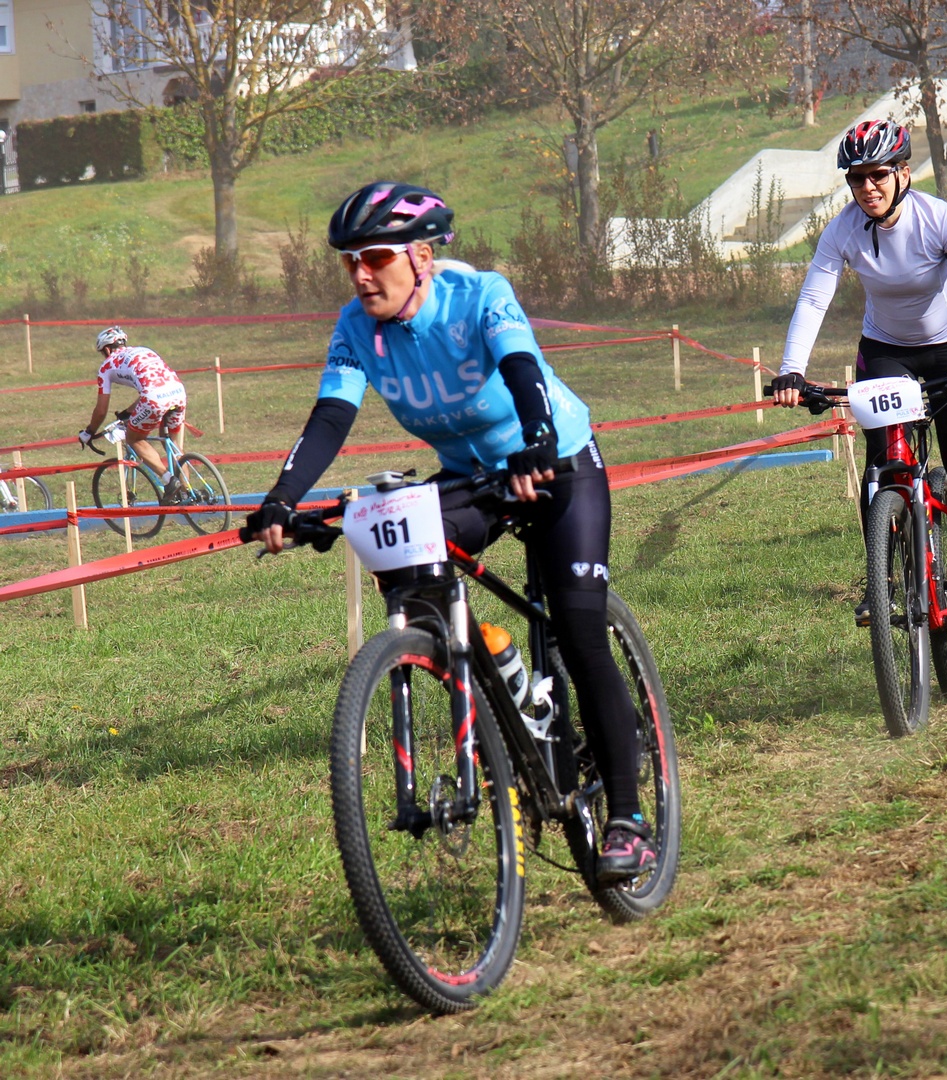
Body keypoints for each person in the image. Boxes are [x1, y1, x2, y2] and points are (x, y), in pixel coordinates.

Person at [244, 182, 655, 880]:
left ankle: (628, 817)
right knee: (416, 574)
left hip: (554, 463)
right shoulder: (356, 327)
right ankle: (503, 689)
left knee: (580, 630)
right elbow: (331, 419)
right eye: (350, 262)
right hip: (470, 475)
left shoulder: (479, 294)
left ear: (423, 257)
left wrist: (538, 444)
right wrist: (283, 499)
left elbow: (523, 370)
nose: (361, 274)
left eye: (375, 257)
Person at [770, 119, 947, 632]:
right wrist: (791, 370)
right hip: (886, 350)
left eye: (877, 175)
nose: (867, 188)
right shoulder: (842, 231)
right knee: (882, 466)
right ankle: (880, 577)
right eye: (856, 179)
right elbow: (814, 298)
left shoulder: (940, 219)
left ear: (903, 173)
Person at [77, 326, 192, 502]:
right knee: (174, 446)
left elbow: (101, 411)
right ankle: (188, 493)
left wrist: (89, 432)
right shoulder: (145, 350)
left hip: (154, 397)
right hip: (178, 392)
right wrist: (127, 413)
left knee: (134, 439)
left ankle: (169, 481)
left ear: (107, 349)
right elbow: (153, 384)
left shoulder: (107, 366)